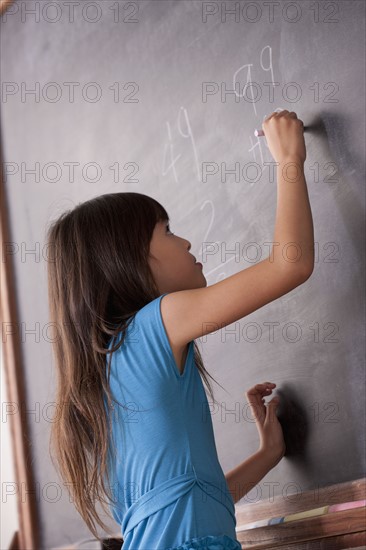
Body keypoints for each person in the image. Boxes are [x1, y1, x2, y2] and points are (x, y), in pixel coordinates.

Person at [46, 109, 314, 549]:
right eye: (167, 231)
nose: (186, 242)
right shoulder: (157, 322)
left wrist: (267, 456)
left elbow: (187, 505)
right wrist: (289, 158)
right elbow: (291, 264)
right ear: (126, 259)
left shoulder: (109, 369)